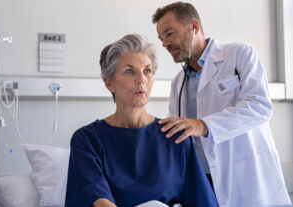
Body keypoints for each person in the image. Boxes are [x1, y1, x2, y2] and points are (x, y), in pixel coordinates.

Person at [152, 2, 292, 207]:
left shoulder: (239, 55)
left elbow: (259, 106)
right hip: (202, 183)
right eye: (161, 38)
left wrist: (203, 125)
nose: (165, 43)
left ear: (194, 27)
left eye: (169, 34)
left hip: (246, 178)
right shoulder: (178, 83)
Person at [65, 34, 219, 207]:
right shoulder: (88, 139)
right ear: (109, 84)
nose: (142, 80)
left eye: (147, 71)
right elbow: (95, 196)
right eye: (130, 71)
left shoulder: (176, 137)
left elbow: (203, 200)